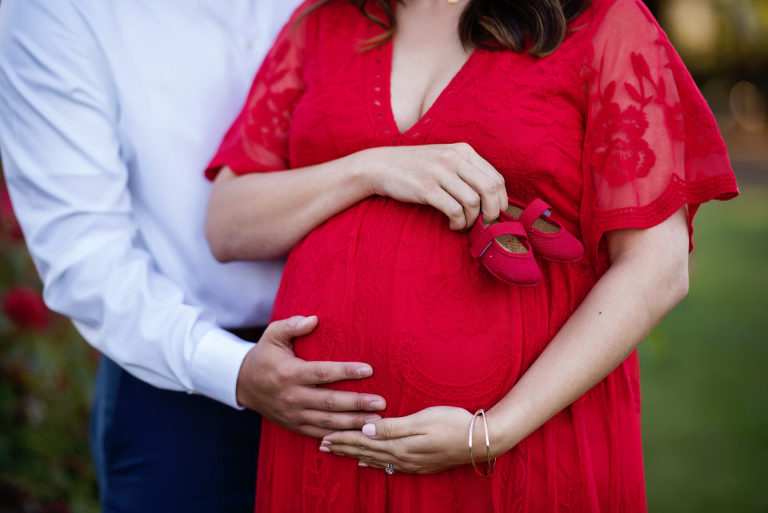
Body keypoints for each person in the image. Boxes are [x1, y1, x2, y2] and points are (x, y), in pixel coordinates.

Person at [206, 0, 739, 510]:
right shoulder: (322, 22)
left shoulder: (600, 19)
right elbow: (228, 224)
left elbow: (658, 265)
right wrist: (368, 168)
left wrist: (493, 430)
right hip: (329, 446)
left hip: (524, 440)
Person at [0, 1, 388, 511]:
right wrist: (233, 369)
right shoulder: (56, 12)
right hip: (182, 391)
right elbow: (88, 259)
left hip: (362, 368)